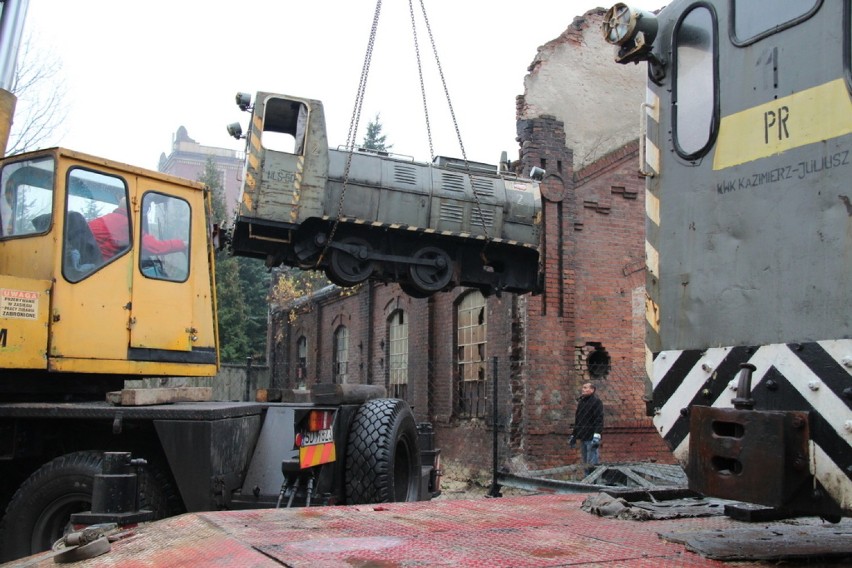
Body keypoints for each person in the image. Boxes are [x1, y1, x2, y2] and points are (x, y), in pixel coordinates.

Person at [89, 198, 186, 262]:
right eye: (144, 209)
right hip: (102, 269)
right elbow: (155, 247)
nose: (144, 212)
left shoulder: (110, 218)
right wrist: (183, 244)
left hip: (95, 264)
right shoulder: (126, 224)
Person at [569, 382, 604, 476]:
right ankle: (587, 478)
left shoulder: (596, 402)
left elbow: (599, 419)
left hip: (591, 436)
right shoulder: (582, 402)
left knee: (592, 460)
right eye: (583, 387)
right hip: (583, 435)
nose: (583, 389)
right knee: (585, 460)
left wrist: (597, 434)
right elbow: (578, 420)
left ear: (592, 390)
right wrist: (574, 435)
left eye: (585, 388)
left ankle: (594, 479)